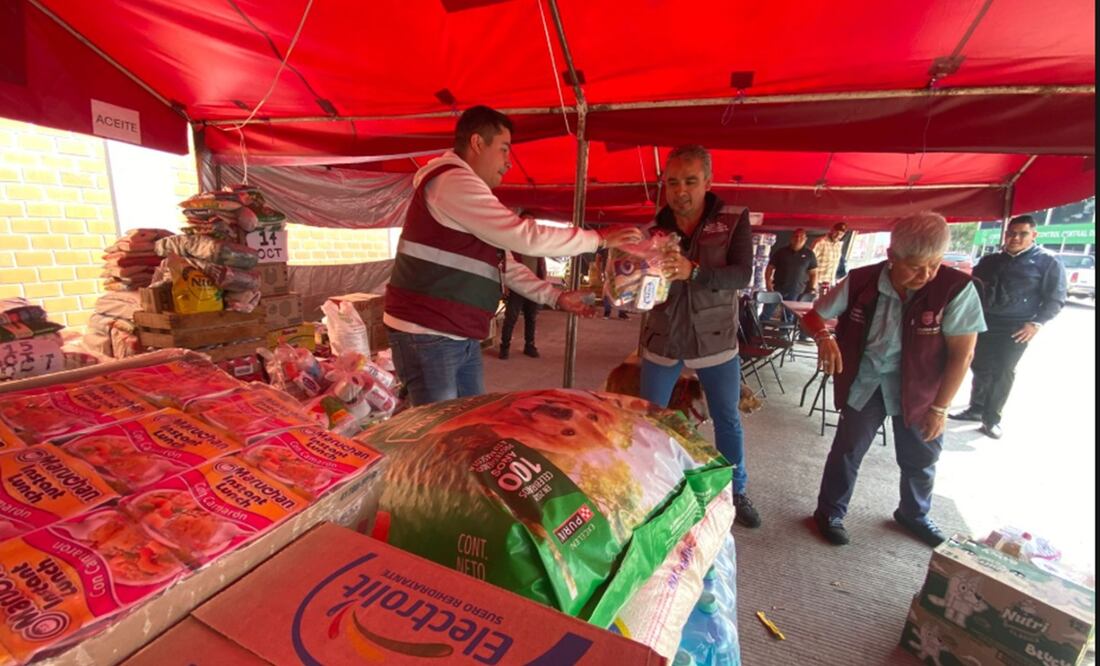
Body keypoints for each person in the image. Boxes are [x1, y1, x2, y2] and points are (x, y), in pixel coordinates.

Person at [384, 105, 641, 406]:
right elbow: (526, 237)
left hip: (456, 334)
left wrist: (554, 297)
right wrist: (597, 239)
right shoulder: (452, 183)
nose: (508, 163)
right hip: (428, 334)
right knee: (438, 433)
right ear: (478, 143)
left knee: (468, 422)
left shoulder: (468, 196)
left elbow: (506, 265)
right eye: (504, 150)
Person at [799, 212, 986, 547]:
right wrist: (825, 338)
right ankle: (829, 512)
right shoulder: (861, 281)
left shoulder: (955, 289)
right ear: (891, 257)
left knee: (922, 456)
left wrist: (941, 407)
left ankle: (914, 514)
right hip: (868, 382)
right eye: (916, 266)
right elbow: (815, 316)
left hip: (922, 389)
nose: (926, 274)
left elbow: (963, 354)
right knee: (847, 449)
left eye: (934, 264)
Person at [638, 145, 760, 528]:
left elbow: (742, 275)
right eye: (672, 182)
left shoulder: (734, 220)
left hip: (715, 336)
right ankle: (645, 486)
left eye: (690, 181)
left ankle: (735, 490)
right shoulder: (656, 229)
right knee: (648, 418)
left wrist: (695, 272)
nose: (680, 191)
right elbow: (644, 286)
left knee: (727, 417)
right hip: (663, 335)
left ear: (708, 182)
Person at [949, 215, 1067, 439]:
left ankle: (991, 418)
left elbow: (1056, 298)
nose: (1015, 238)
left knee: (1003, 371)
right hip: (984, 321)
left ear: (1034, 235)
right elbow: (973, 290)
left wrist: (1036, 323)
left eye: (1022, 234)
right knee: (979, 365)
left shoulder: (1047, 261)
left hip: (1017, 326)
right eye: (1011, 233)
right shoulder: (990, 261)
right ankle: (976, 408)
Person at [499, 242, 546, 359]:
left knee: (531, 317)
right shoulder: (515, 248)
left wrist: (541, 284)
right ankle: (504, 346)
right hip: (517, 287)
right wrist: (506, 285)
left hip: (533, 288)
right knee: (511, 318)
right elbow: (506, 267)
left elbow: (542, 268)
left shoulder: (538, 251)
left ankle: (529, 345)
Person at [762, 229, 818, 323]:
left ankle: (783, 335)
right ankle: (758, 334)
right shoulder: (781, 252)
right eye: (796, 236)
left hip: (796, 291)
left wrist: (812, 289)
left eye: (801, 237)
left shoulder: (810, 254)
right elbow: (770, 268)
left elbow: (814, 273)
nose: (798, 239)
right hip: (777, 288)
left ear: (805, 239)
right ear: (791, 238)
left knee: (788, 317)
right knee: (766, 313)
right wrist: (768, 282)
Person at [811, 222, 849, 289]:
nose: (838, 235)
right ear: (832, 230)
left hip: (831, 283)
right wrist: (812, 283)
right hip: (817, 283)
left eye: (841, 234)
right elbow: (810, 262)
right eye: (836, 232)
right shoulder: (820, 242)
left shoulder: (839, 245)